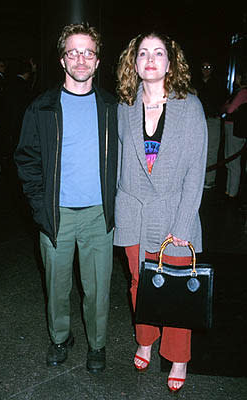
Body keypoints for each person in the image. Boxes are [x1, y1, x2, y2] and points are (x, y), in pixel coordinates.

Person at [14, 23, 118, 372]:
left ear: (98, 60)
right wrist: (40, 208)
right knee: (56, 287)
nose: (80, 58)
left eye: (87, 52)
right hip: (56, 214)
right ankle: (60, 338)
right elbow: (26, 159)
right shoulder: (42, 108)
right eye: (73, 52)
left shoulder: (111, 108)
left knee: (98, 289)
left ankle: (97, 345)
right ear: (62, 60)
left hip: (99, 215)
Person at [114, 32, 207, 392]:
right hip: (133, 213)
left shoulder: (190, 107)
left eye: (159, 53)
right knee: (139, 284)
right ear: (133, 63)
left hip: (174, 214)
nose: (150, 59)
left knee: (177, 291)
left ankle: (179, 357)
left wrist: (184, 223)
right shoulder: (125, 106)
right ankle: (145, 338)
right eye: (142, 53)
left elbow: (196, 172)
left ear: (171, 61)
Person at [194, 60, 225, 189]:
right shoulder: (196, 83)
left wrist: (219, 114)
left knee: (212, 149)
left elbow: (224, 101)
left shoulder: (218, 84)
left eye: (209, 67)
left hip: (213, 120)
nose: (206, 69)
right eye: (204, 67)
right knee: (197, 149)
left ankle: (210, 179)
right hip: (199, 120)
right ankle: (196, 179)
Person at [221, 70, 247, 200]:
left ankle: (232, 192)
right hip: (235, 128)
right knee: (231, 159)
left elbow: (228, 109)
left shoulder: (242, 92)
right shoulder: (239, 92)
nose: (235, 77)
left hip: (235, 128)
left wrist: (228, 107)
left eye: (238, 75)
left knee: (233, 161)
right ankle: (230, 190)